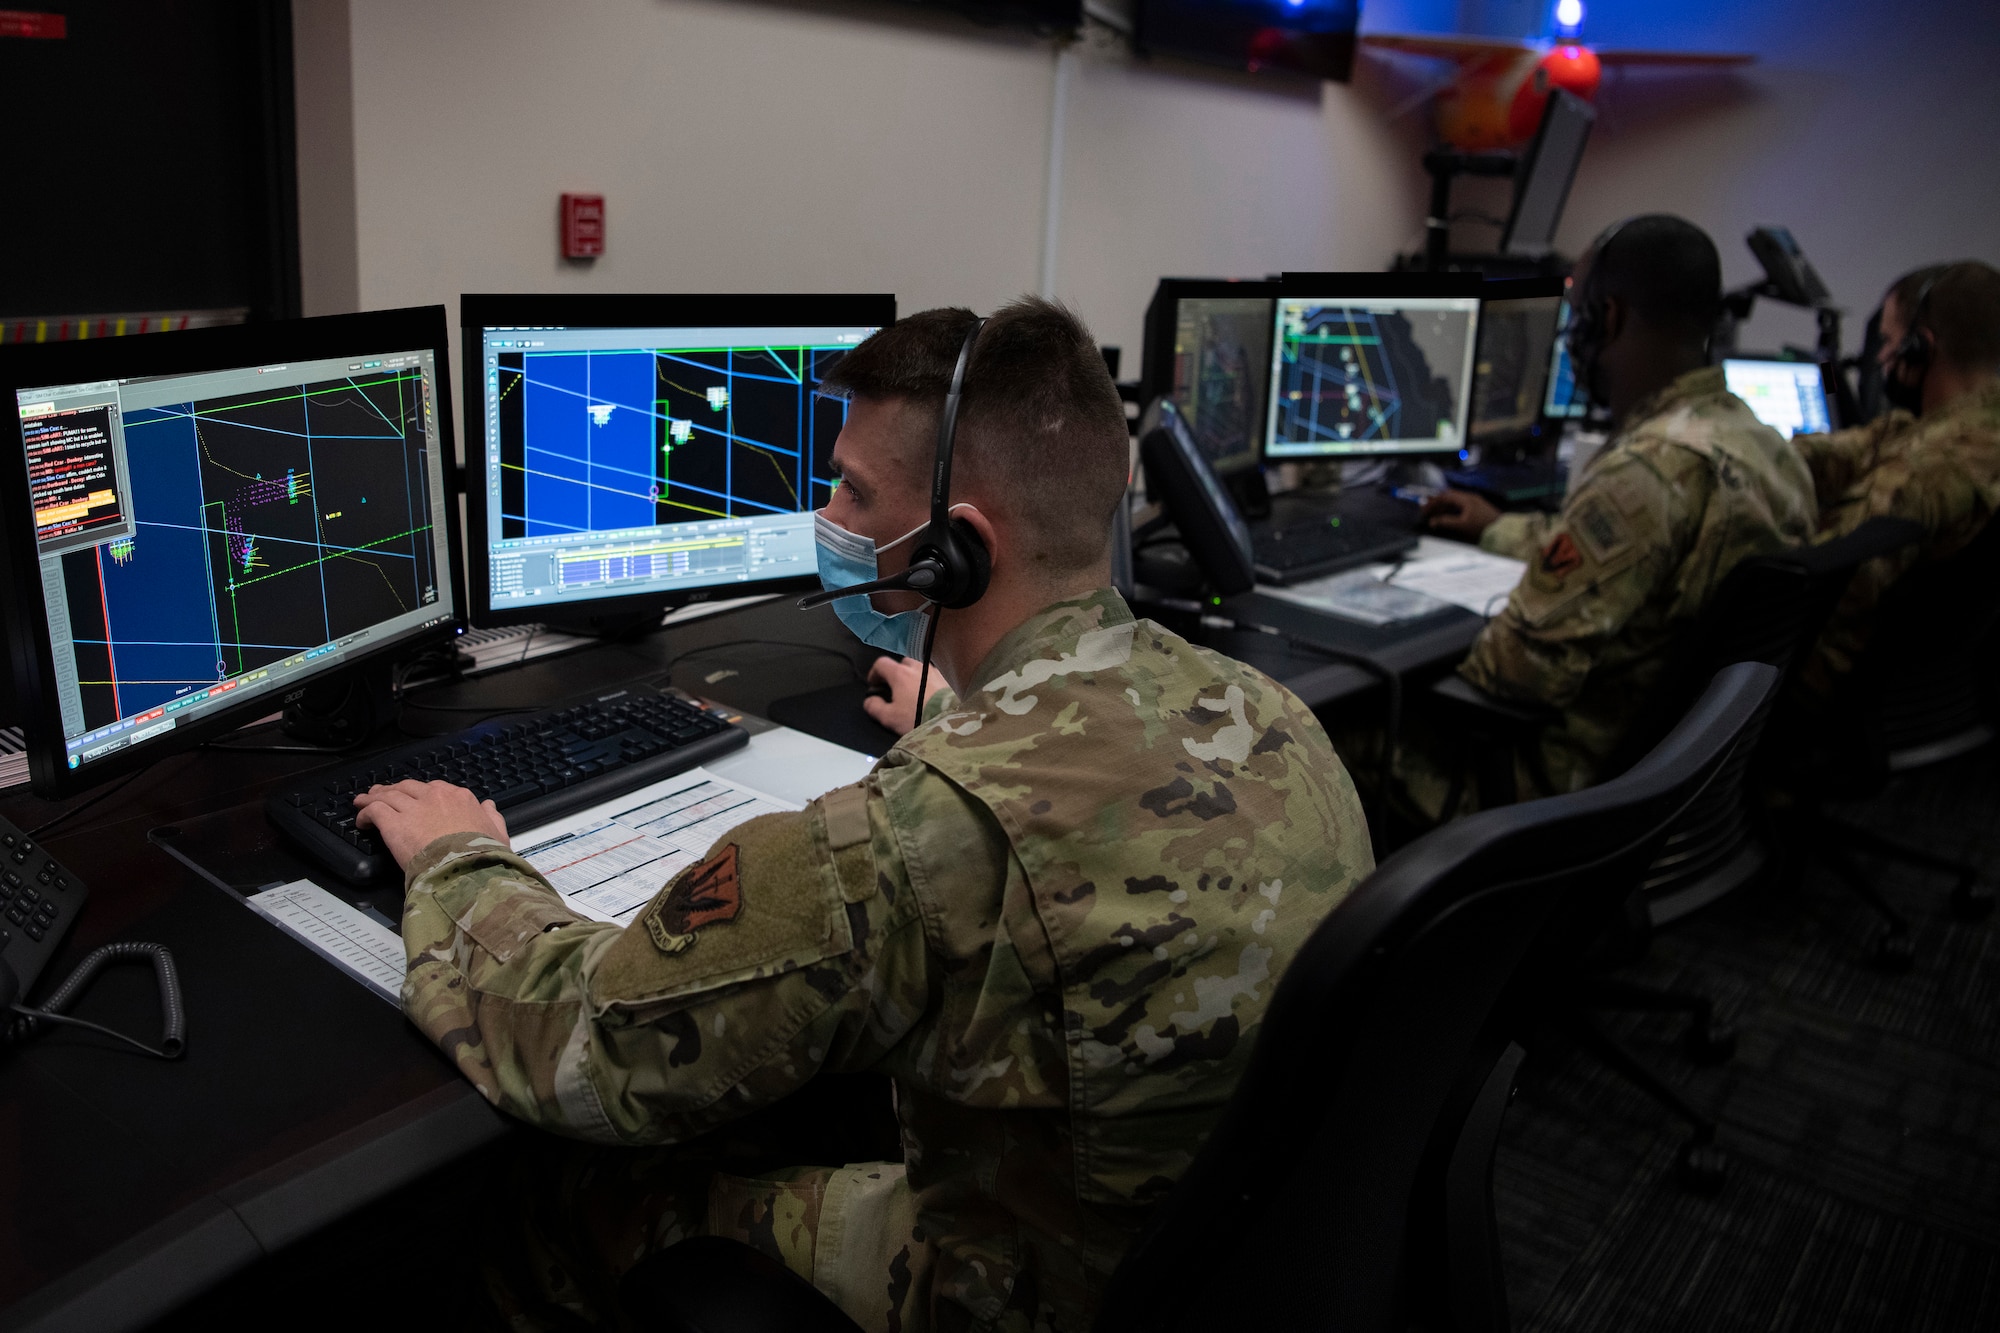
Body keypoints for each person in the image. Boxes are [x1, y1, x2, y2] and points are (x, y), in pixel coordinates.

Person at [353, 297, 1373, 1333]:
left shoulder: (919, 831)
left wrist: (461, 860)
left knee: (570, 1192)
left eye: (850, 488)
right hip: (1225, 1268)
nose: (828, 515)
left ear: (954, 550)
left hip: (1022, 1297)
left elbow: (586, 1046)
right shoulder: (1271, 712)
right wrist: (977, 715)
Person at [1417, 215, 1815, 803]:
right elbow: (1632, 553)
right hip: (1678, 781)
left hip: (1559, 789)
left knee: (1329, 740)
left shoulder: (1643, 472)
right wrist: (1498, 528)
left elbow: (1514, 673)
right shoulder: (1766, 447)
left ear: (1610, 318)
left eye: (1577, 316)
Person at [1792, 260, 2000, 696]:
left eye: (1887, 342)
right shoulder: (1943, 434)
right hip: (1961, 705)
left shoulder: (1919, 475)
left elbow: (1815, 623)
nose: (1882, 358)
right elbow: (1855, 447)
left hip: (1853, 722)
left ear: (1919, 349)